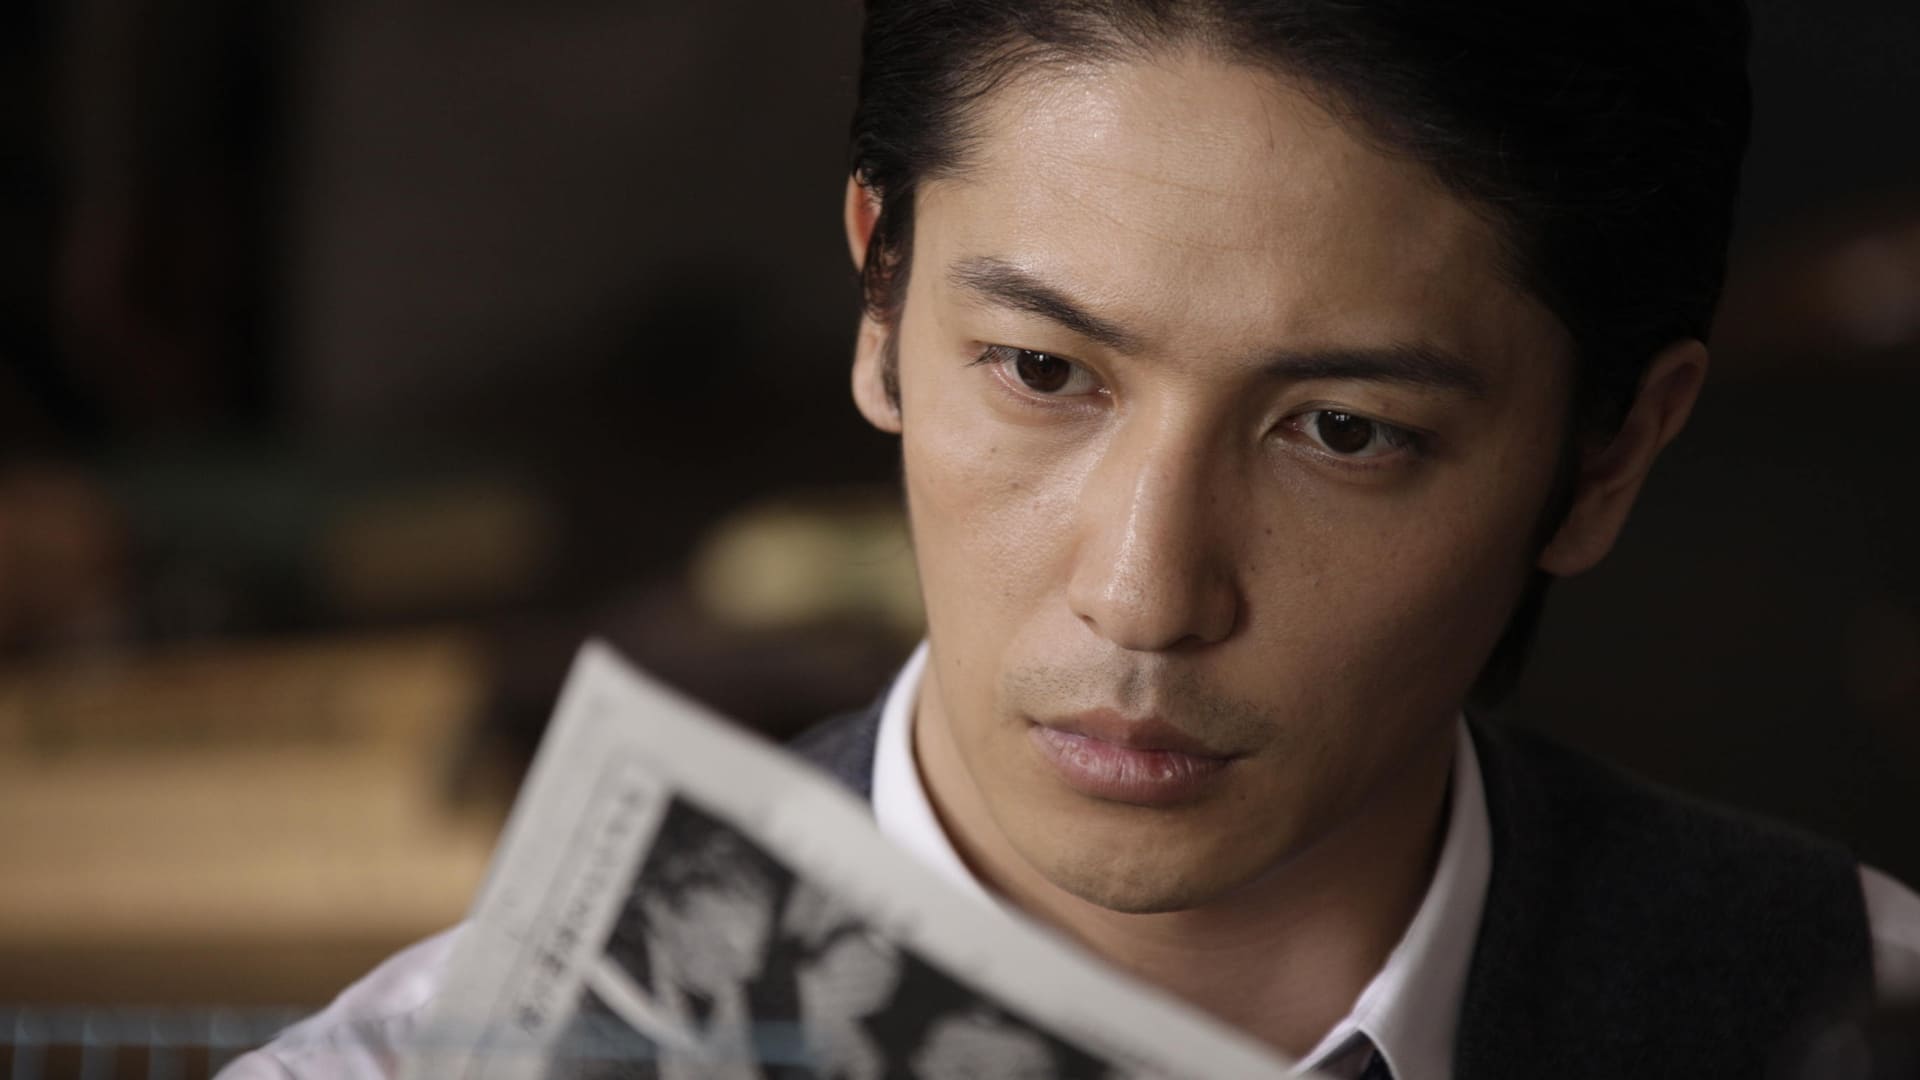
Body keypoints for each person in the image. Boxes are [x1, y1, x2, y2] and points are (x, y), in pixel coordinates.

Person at [222, 1, 1920, 1077]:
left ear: (1611, 454)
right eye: (1042, 371)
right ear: (881, 305)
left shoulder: (1855, 1008)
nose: (1143, 594)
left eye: (1344, 431)